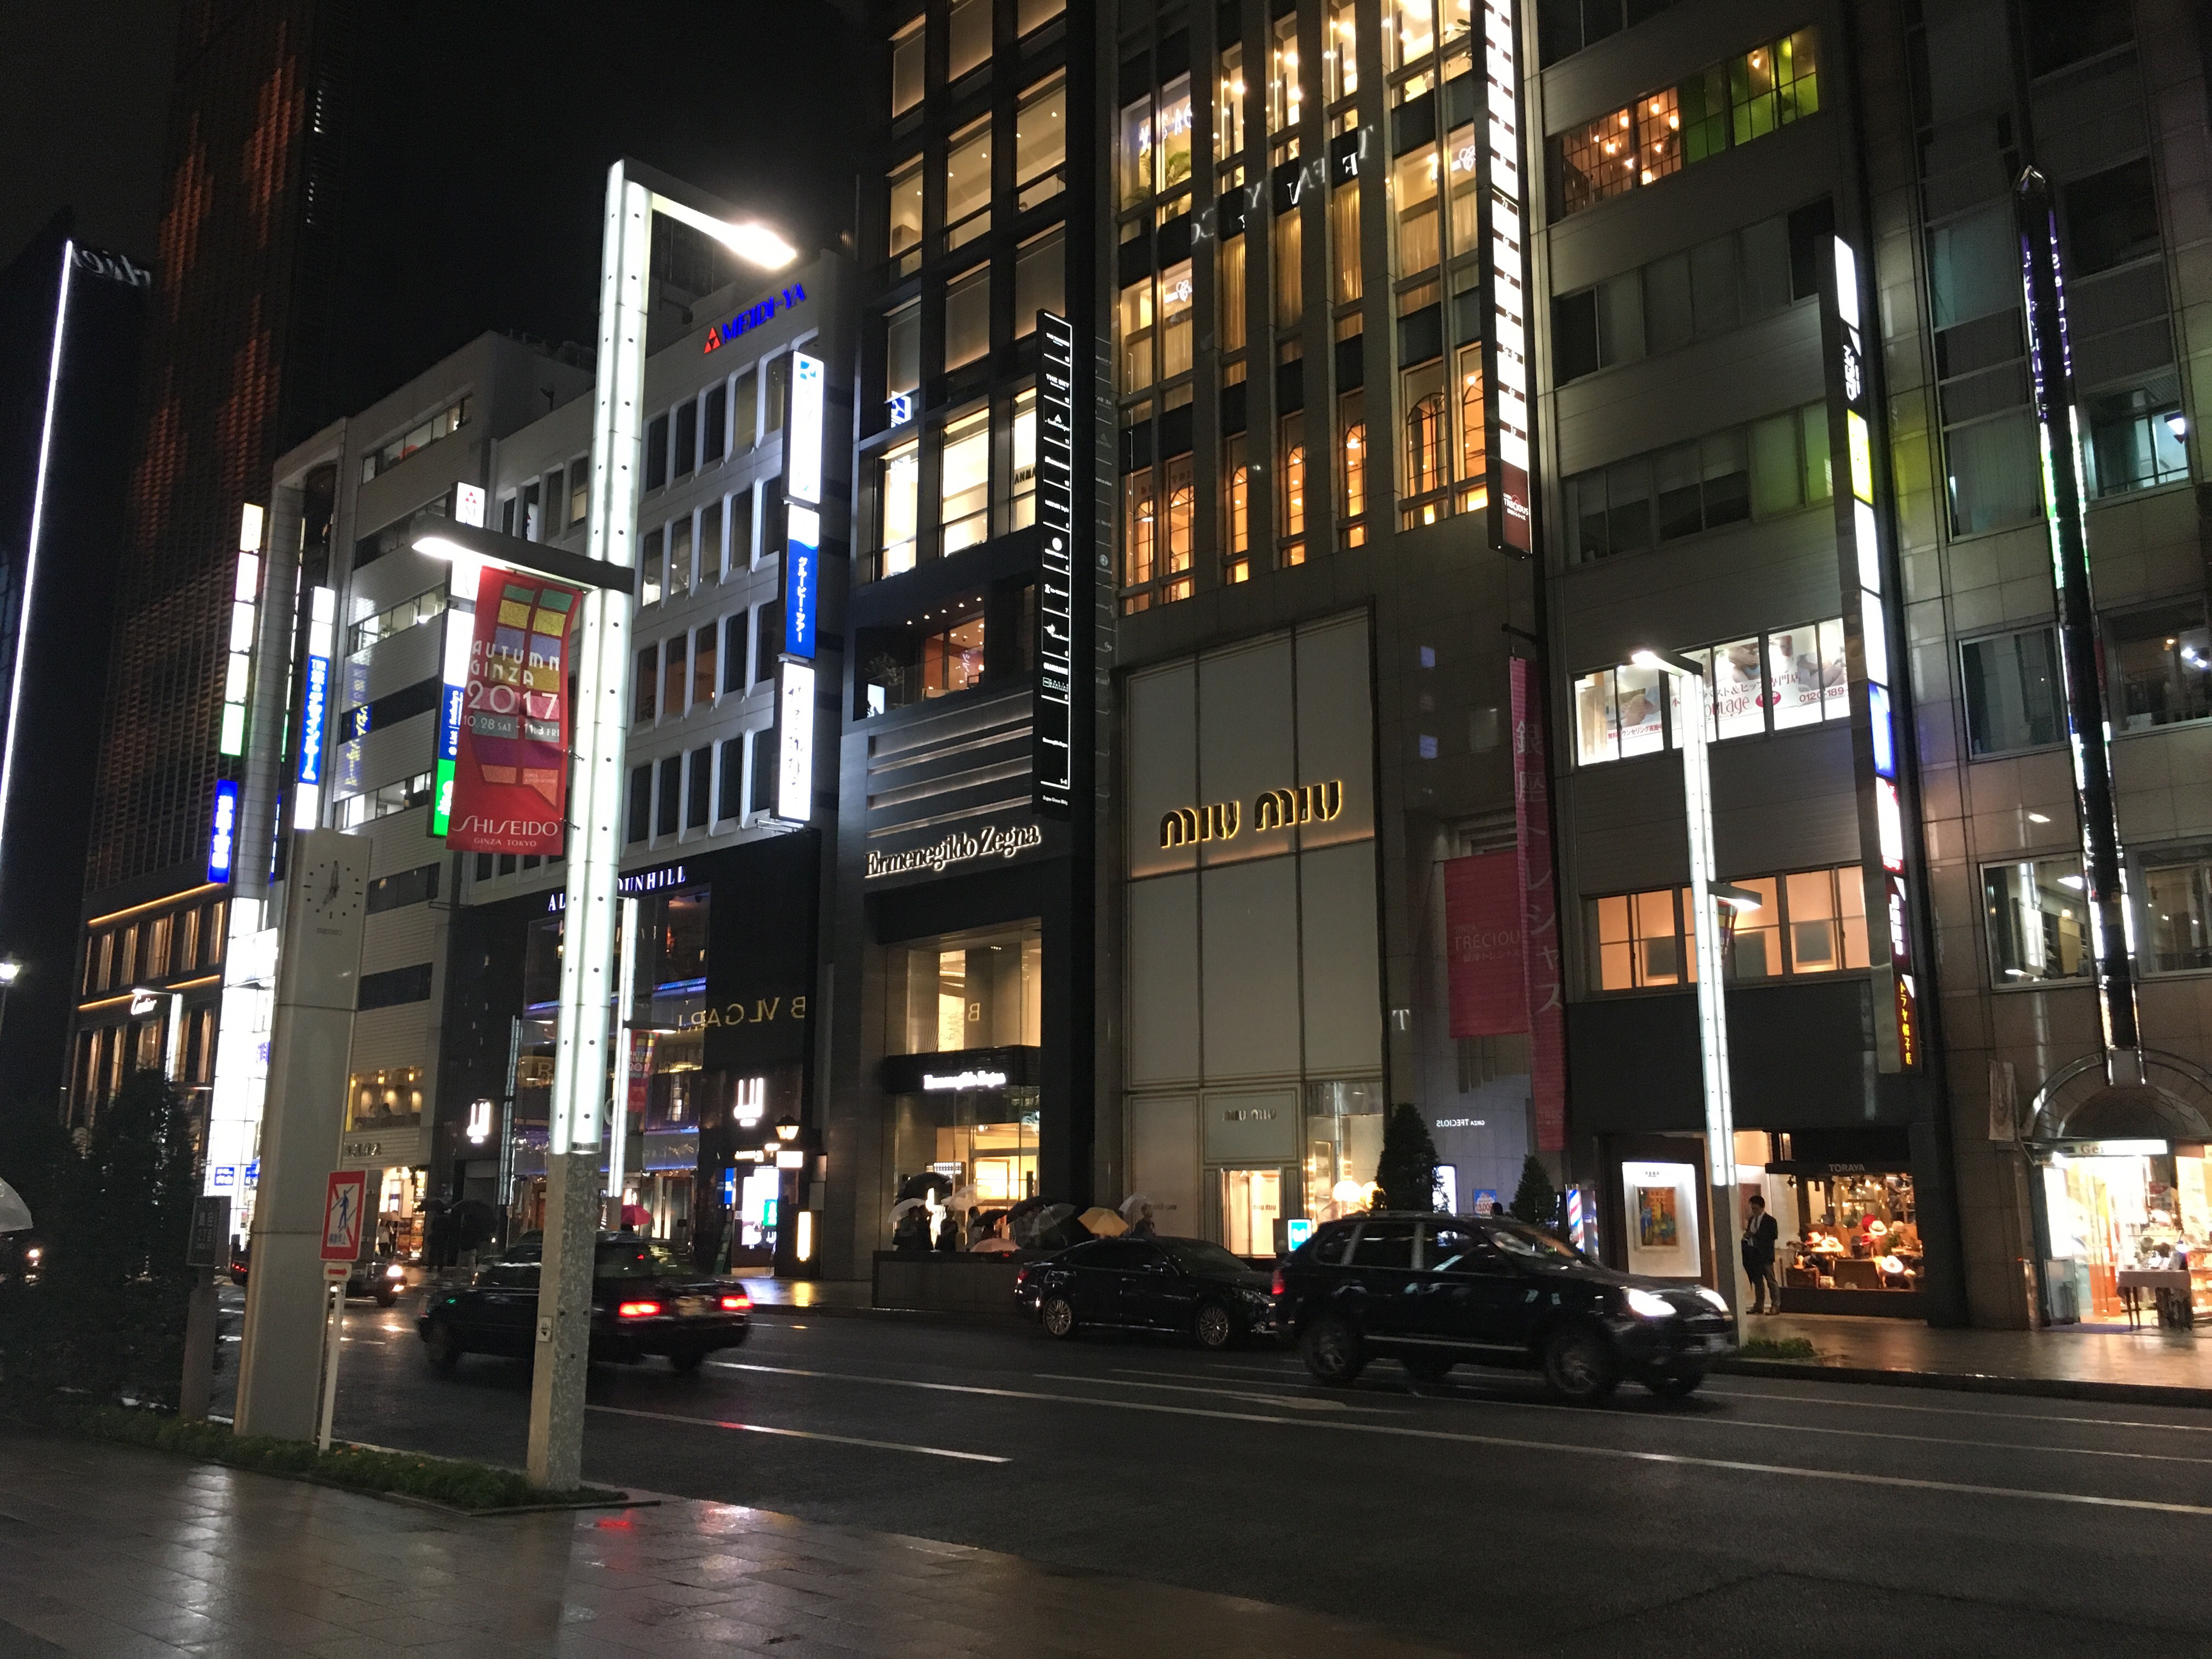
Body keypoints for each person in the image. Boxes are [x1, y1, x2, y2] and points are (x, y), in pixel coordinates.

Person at [1741, 1195, 1780, 1314]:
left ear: (1762, 1207)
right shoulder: (1752, 1220)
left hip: (1765, 1254)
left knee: (1770, 1280)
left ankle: (1775, 1305)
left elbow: (1773, 1235)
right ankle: (1759, 1305)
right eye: (1752, 1208)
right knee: (1758, 1281)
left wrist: (1755, 1234)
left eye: (1756, 1209)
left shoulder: (1770, 1221)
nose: (1754, 1211)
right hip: (1753, 1254)